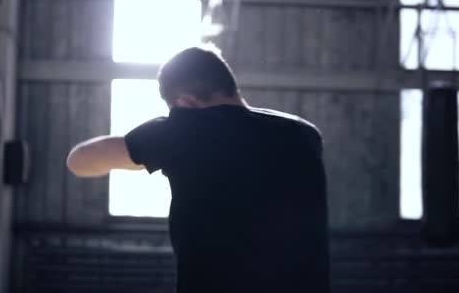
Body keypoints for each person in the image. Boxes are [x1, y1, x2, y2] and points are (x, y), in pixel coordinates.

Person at [66, 46, 330, 293]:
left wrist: (155, 149)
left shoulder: (184, 131)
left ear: (184, 103)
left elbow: (79, 160)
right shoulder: (303, 134)